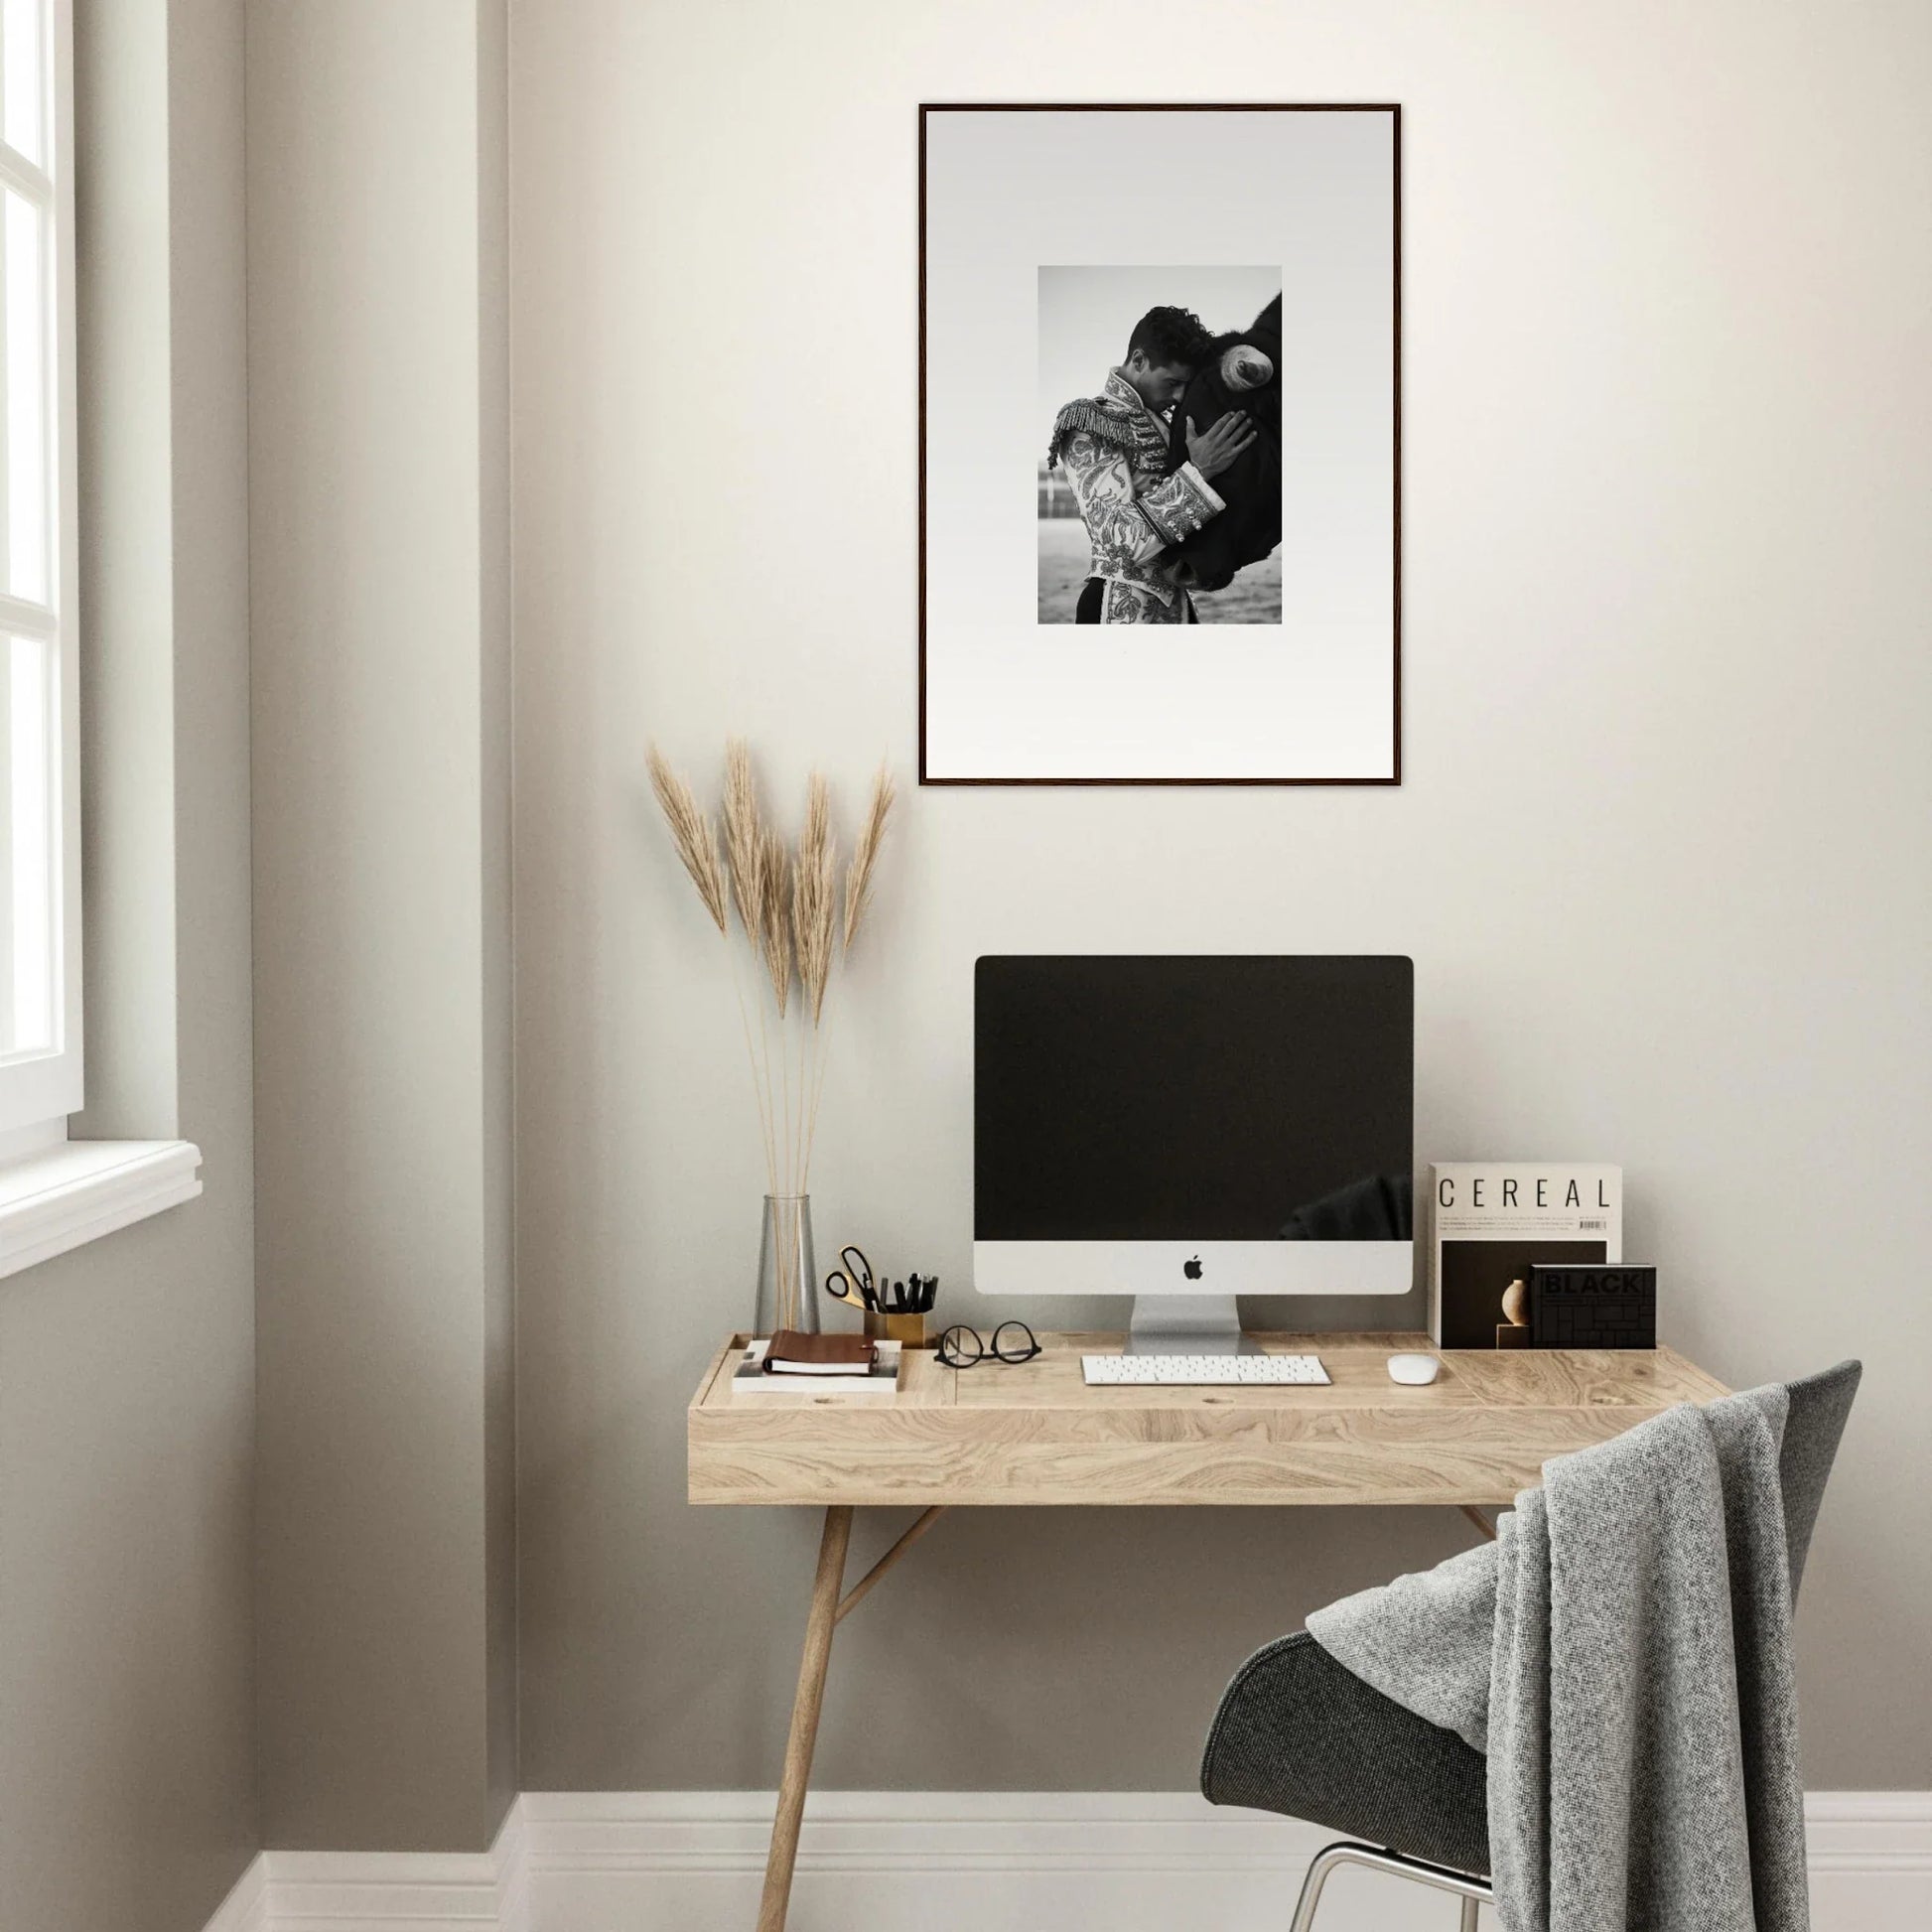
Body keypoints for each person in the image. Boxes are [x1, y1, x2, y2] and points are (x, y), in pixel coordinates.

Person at [1045, 305, 1258, 624]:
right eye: (1172, 382)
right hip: (1117, 609)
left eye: (1186, 385)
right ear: (1139, 361)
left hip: (1179, 607)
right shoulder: (1089, 420)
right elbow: (1119, 541)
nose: (1179, 394)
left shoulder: (1167, 422)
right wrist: (1199, 472)